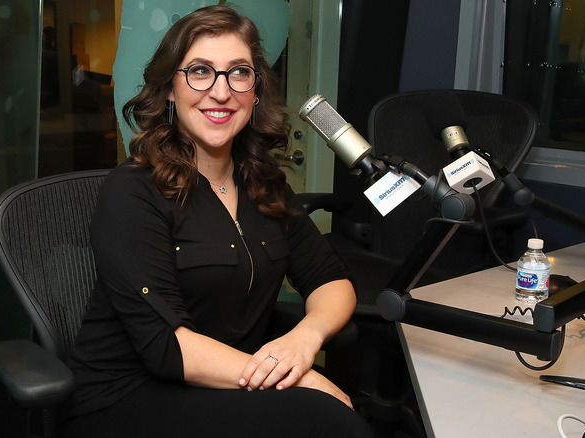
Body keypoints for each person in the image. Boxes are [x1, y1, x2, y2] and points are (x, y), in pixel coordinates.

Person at [60, 5, 373, 438]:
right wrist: (296, 377)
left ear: (255, 90)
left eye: (239, 72)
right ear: (171, 87)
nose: (221, 92)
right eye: (200, 71)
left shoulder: (264, 185)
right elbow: (168, 347)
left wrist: (304, 339)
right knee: (331, 421)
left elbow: (332, 282)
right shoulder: (133, 191)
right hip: (129, 398)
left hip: (232, 383)